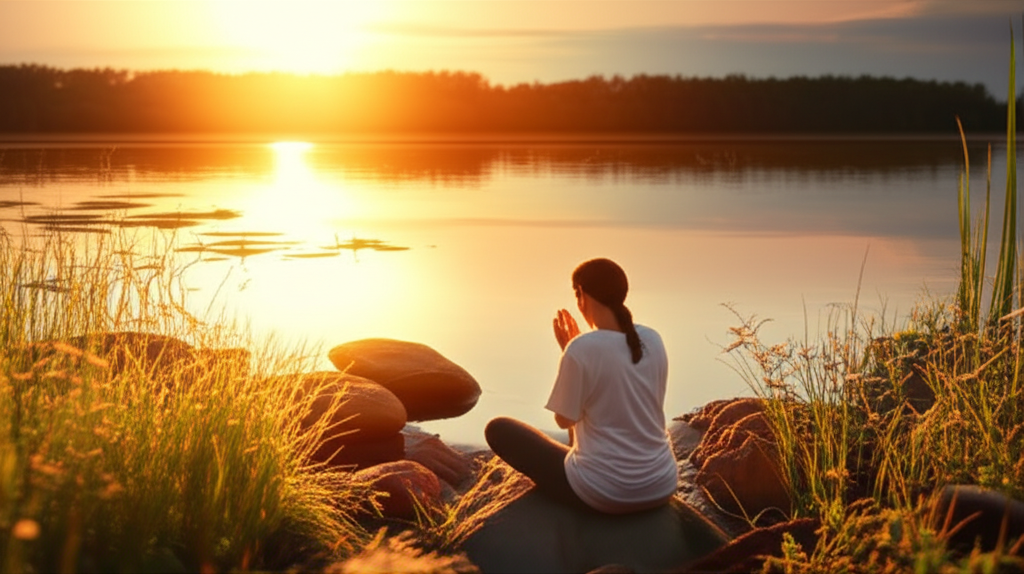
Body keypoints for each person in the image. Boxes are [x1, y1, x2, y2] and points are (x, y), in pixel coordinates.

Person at [485, 258, 678, 514]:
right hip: (662, 483)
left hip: (604, 492)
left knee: (498, 429)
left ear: (582, 295)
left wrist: (568, 352)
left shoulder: (580, 349)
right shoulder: (653, 338)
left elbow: (564, 421)